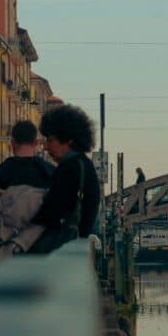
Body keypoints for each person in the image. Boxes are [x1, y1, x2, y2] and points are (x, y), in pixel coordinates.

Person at [31, 104, 102, 251]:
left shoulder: (69, 168)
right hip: (76, 247)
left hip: (60, 248)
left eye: (50, 140)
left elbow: (51, 213)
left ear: (68, 139)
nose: (45, 147)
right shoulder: (85, 165)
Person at [0, 120, 55, 256]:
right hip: (41, 249)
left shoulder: (1, 172)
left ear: (12, 142)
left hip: (9, 248)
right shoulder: (49, 172)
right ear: (35, 143)